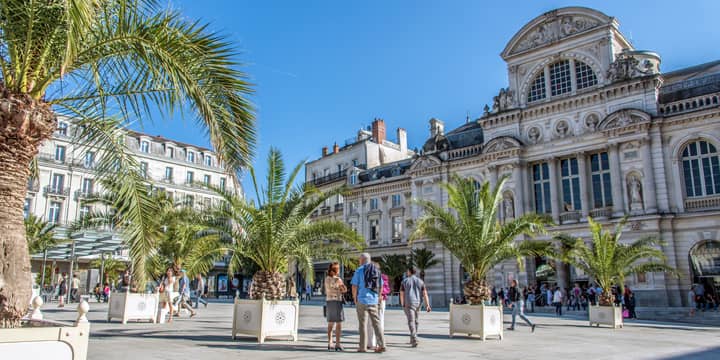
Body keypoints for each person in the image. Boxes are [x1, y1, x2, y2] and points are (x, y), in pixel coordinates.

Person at [351, 253, 385, 353]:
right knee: (376, 323)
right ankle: (382, 345)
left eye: (359, 260)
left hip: (362, 300)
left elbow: (354, 286)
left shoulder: (359, 270)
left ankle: (362, 347)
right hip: (374, 300)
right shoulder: (376, 270)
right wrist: (378, 296)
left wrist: (354, 297)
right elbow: (381, 285)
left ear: (362, 260)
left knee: (363, 324)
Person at [400, 267, 431, 347]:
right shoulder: (421, 281)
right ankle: (413, 337)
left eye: (407, 271)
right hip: (418, 303)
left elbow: (402, 294)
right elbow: (425, 294)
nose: (407, 272)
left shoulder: (405, 281)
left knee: (411, 321)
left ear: (409, 272)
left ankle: (414, 338)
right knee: (416, 320)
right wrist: (427, 305)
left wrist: (402, 304)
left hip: (409, 303)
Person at [324, 262, 347, 351]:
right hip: (334, 301)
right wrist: (339, 286)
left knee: (334, 323)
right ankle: (334, 343)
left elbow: (343, 290)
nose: (338, 271)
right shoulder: (333, 279)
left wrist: (341, 287)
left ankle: (333, 343)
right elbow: (341, 290)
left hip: (333, 301)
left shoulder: (331, 279)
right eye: (338, 269)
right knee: (335, 323)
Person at [367, 262, 390, 350]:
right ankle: (376, 343)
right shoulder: (383, 277)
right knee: (379, 321)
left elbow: (386, 289)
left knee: (371, 322)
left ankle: (372, 343)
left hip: (374, 300)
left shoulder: (371, 276)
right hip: (379, 300)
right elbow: (387, 289)